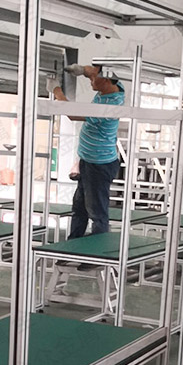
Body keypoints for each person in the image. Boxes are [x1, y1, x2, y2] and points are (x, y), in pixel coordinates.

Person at [47, 64, 124, 241]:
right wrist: (82, 70)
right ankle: (73, 245)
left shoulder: (110, 106)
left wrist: (56, 90)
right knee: (79, 208)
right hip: (89, 162)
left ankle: (97, 250)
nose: (91, 81)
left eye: (93, 79)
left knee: (97, 212)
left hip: (99, 165)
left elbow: (72, 114)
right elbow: (94, 71)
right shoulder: (114, 86)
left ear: (106, 79)